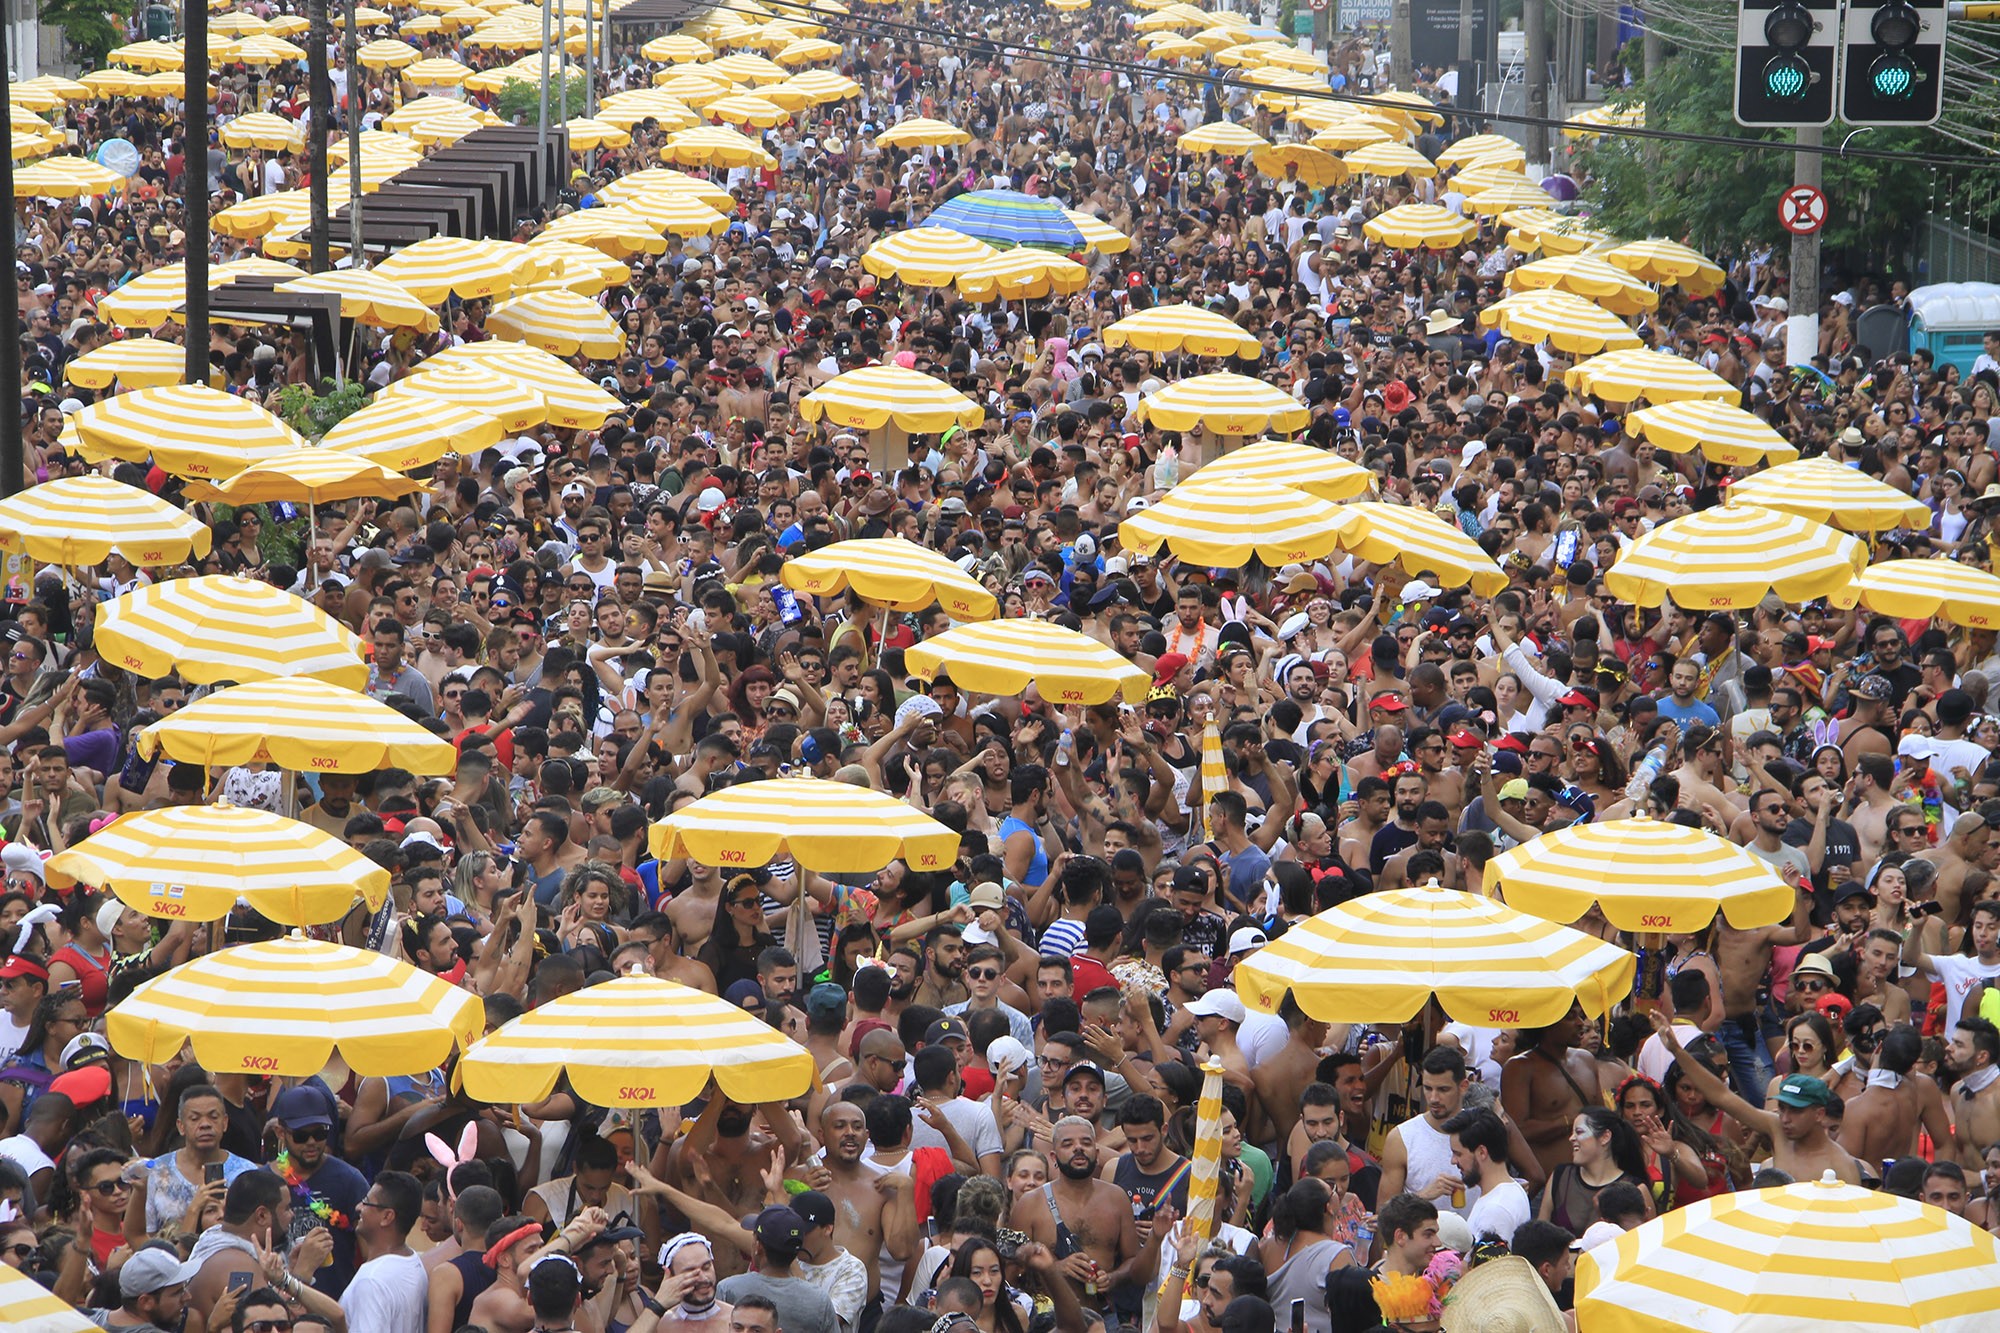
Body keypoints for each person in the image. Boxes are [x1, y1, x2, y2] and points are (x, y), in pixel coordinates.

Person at [340, 1170, 427, 1333]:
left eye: (366, 1202)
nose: (358, 1207)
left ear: (387, 1216)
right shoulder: (413, 1262)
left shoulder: (371, 1281)